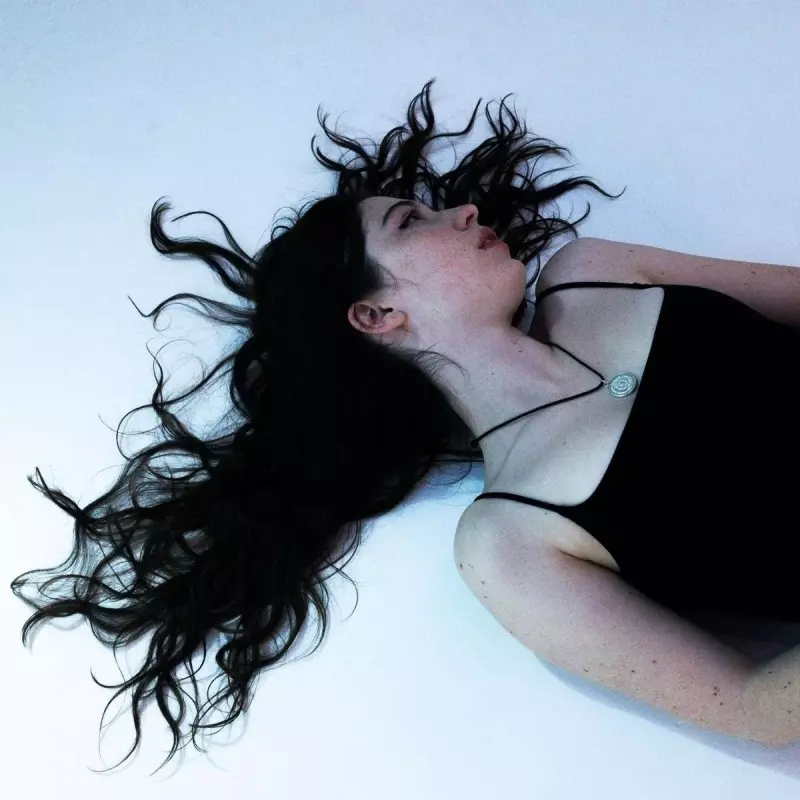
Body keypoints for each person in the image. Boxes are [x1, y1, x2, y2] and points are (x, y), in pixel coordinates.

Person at [9, 78, 631, 773]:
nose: (464, 212)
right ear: (375, 315)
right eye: (410, 222)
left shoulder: (598, 276)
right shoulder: (507, 540)